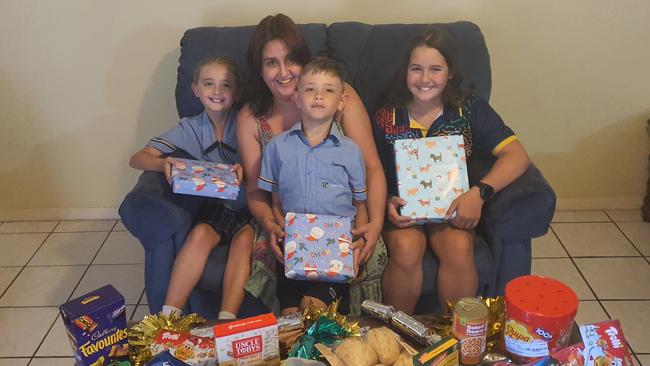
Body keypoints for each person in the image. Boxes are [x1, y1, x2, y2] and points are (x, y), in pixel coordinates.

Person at [373, 28, 531, 314]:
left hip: (454, 205)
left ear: (449, 73)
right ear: (405, 72)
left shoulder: (468, 108)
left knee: (459, 248)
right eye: (416, 69)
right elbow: (370, 169)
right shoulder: (385, 115)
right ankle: (398, 336)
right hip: (403, 207)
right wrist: (385, 203)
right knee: (407, 251)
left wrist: (480, 193)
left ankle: (452, 339)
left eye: (435, 69)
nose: (425, 79)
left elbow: (517, 156)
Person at [237, 14, 387, 314]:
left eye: (291, 60)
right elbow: (258, 191)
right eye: (271, 63)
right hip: (285, 221)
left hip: (342, 219)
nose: (283, 72)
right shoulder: (252, 118)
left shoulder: (339, 96)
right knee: (291, 303)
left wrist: (374, 223)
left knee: (319, 301)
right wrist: (270, 222)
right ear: (259, 68)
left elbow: (372, 168)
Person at [129, 56, 253, 320]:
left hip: (249, 205)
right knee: (199, 235)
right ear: (196, 89)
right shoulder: (190, 128)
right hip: (216, 207)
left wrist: (247, 170)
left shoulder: (246, 121)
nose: (217, 92)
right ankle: (169, 319)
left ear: (237, 91)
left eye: (226, 85)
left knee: (244, 243)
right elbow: (137, 157)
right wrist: (162, 164)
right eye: (209, 84)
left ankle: (226, 320)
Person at [258, 57, 368, 314]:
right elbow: (275, 200)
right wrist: (279, 227)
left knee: (315, 310)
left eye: (328, 90)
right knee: (290, 317)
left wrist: (359, 242)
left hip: (336, 249)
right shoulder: (278, 147)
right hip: (294, 245)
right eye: (310, 89)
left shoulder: (351, 152)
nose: (318, 96)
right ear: (297, 98)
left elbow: (359, 203)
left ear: (341, 102)